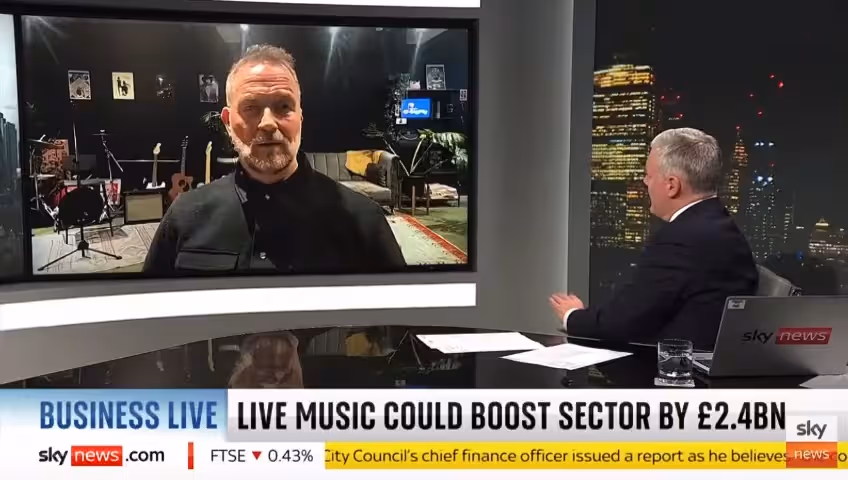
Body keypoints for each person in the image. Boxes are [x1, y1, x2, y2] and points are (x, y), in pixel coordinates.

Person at [144, 45, 406, 274]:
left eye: (283, 106)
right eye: (251, 107)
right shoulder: (184, 215)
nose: (268, 123)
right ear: (227, 122)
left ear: (300, 117)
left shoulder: (363, 220)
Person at [550, 128, 757, 349]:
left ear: (672, 185)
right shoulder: (722, 225)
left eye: (648, 175)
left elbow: (624, 322)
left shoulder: (681, 238)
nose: (645, 182)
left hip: (673, 364)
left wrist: (572, 316)